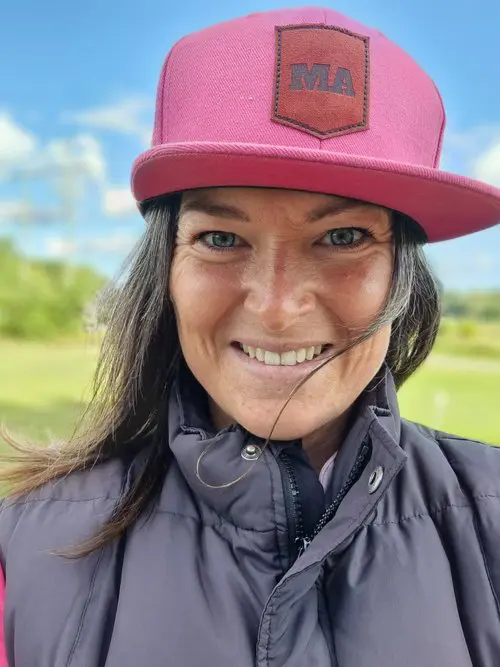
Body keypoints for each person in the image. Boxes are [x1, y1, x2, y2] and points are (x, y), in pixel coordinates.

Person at [1, 5, 500, 666]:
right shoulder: (21, 558)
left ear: (401, 277)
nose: (277, 307)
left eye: (343, 237)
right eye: (221, 238)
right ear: (166, 270)